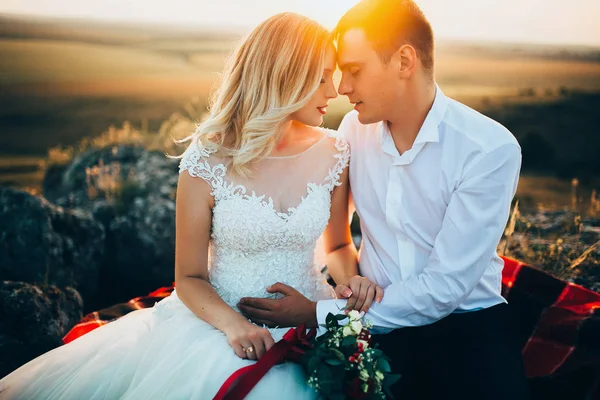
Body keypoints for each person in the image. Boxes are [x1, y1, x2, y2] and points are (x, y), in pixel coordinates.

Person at [0, 13, 383, 399]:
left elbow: (336, 246)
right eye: (320, 78)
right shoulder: (208, 158)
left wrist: (351, 283)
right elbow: (189, 277)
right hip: (217, 329)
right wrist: (236, 326)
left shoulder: (336, 152)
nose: (333, 91)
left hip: (310, 320)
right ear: (281, 76)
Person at [238, 1, 530, 399]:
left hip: (467, 327)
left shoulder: (488, 148)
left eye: (354, 70)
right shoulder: (353, 131)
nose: (342, 87)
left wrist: (319, 313)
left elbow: (445, 288)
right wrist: (349, 287)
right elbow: (337, 240)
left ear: (405, 61)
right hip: (370, 326)